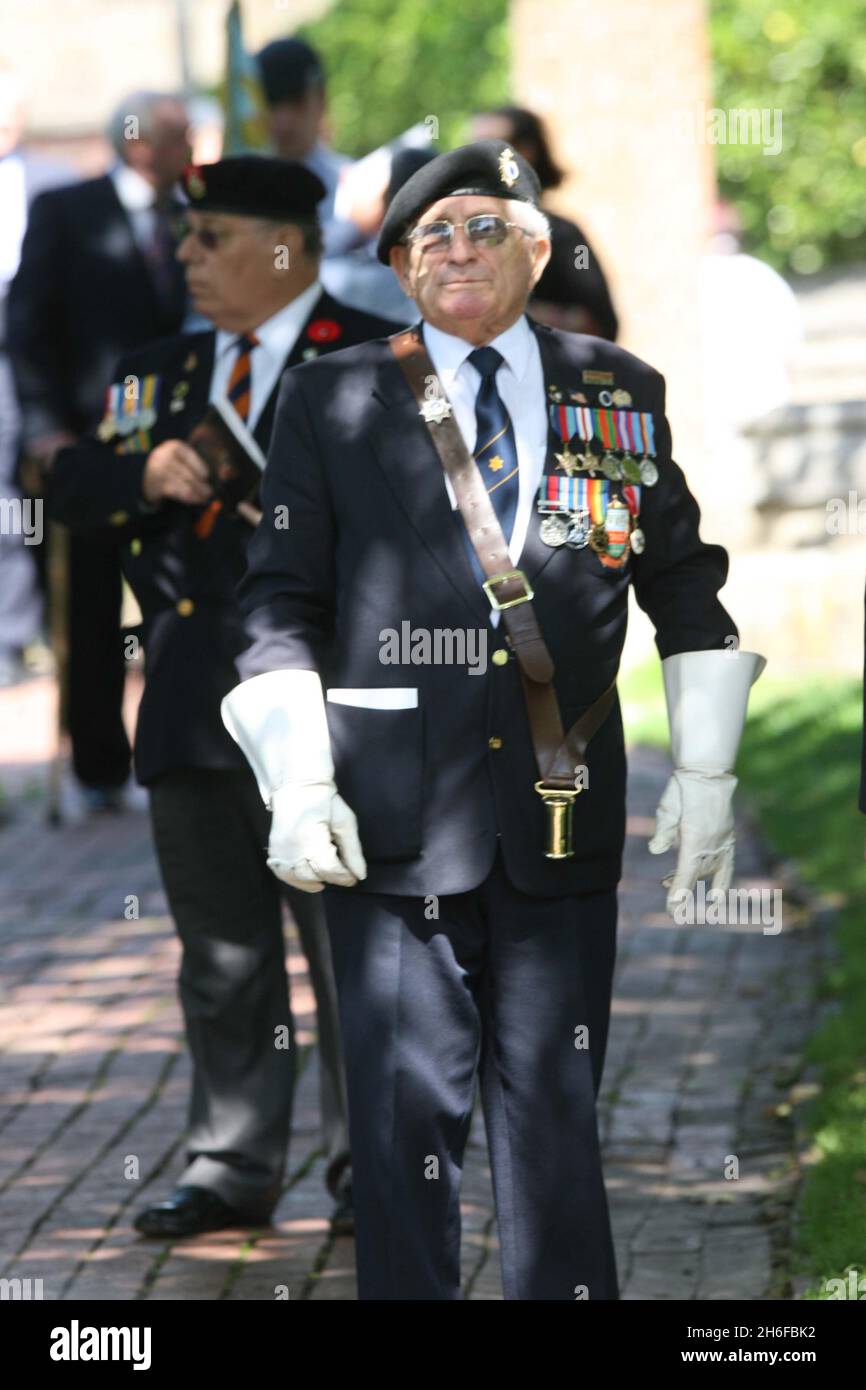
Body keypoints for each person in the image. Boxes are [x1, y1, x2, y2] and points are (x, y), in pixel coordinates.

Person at [220, 140, 765, 1299]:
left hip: (560, 810)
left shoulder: (614, 387)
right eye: (431, 238)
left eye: (481, 227)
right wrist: (299, 777)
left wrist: (707, 772)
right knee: (404, 1119)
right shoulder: (334, 394)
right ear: (403, 273)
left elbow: (681, 582)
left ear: (533, 247)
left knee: (556, 1111)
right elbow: (278, 599)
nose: (457, 250)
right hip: (387, 813)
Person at [48, 156, 400, 1238]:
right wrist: (141, 475)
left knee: (351, 957)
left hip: (331, 707)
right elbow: (70, 491)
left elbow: (410, 522)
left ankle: (371, 1169)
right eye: (185, 238)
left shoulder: (372, 357)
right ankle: (230, 1161)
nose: (186, 258)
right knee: (221, 955)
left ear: (284, 246)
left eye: (212, 238)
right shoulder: (156, 369)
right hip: (196, 707)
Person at [7, 90, 190, 809]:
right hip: (85, 449)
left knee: (172, 602)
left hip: (175, 452)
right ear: (140, 144)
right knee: (86, 609)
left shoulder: (193, 216)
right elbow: (26, 326)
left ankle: (169, 749)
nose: (190, 154)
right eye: (178, 139)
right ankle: (97, 766)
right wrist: (44, 431)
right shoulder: (68, 211)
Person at [0, 64, 71, 686]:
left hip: (34, 366)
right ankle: (9, 636)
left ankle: (48, 627)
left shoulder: (55, 184)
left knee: (36, 499)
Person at [471, 107, 618, 340]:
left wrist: (507, 312)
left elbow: (598, 322)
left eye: (490, 148)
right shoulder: (460, 234)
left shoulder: (565, 237)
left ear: (526, 152)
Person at [257, 36, 356, 257]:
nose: (284, 121)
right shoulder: (243, 192)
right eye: (272, 104)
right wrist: (354, 225)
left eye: (296, 102)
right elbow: (278, 263)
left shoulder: (352, 181)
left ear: (320, 100)